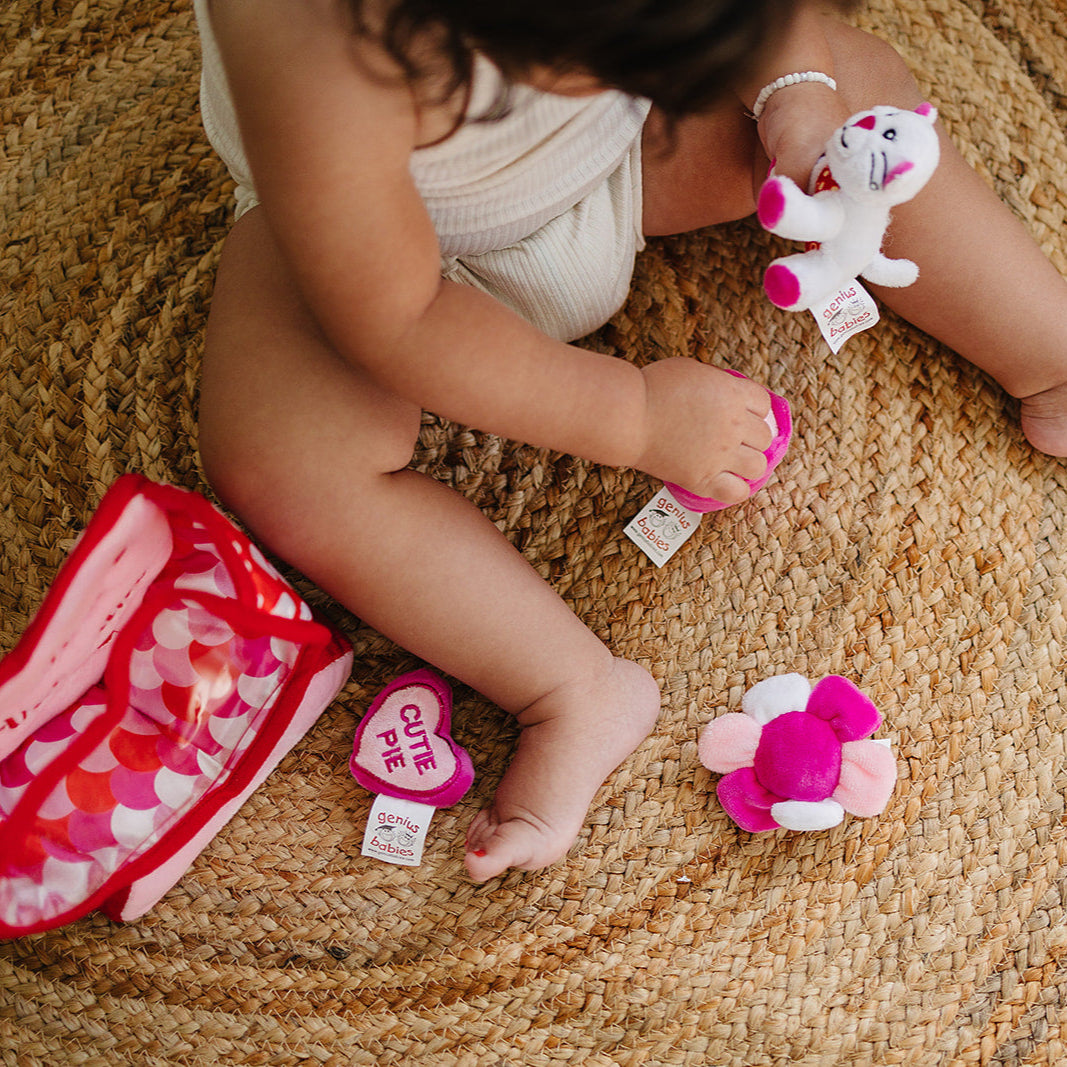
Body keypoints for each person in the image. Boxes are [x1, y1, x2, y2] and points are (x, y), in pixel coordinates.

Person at [192, 0, 1067, 882]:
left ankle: (1049, 353)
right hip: (391, 265)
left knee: (858, 84)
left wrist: (792, 95)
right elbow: (397, 320)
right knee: (283, 460)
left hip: (619, 156)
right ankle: (572, 687)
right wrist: (632, 416)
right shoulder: (303, 40)